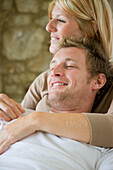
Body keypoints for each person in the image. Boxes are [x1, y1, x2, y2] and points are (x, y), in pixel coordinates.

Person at [0, 0, 113, 147]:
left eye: (60, 20)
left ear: (91, 28)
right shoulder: (45, 79)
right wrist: (5, 110)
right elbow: (17, 125)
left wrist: (37, 120)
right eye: (50, 19)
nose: (48, 27)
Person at [0, 38, 113, 170]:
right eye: (52, 67)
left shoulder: (101, 148)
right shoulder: (12, 117)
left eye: (70, 66)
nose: (53, 72)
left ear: (98, 81)